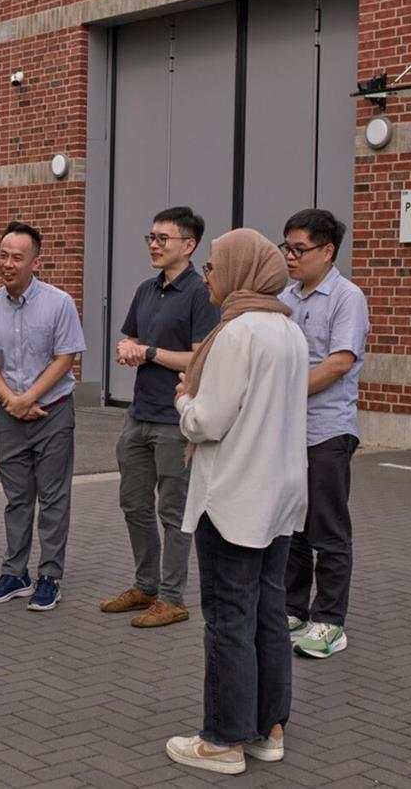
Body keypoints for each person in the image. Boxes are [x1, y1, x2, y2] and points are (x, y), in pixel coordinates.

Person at [163, 228, 308, 776]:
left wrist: (184, 400)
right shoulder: (288, 330)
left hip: (234, 498)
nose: (208, 278)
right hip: (280, 496)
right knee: (268, 613)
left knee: (228, 616)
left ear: (241, 270)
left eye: (214, 267)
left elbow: (208, 420)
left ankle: (223, 739)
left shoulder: (237, 332)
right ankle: (269, 728)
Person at [101, 206, 219, 627]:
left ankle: (172, 598)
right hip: (138, 415)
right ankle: (145, 586)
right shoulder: (145, 290)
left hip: (175, 422)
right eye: (150, 237)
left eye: (162, 239)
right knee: (133, 504)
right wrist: (127, 349)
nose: (153, 245)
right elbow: (132, 338)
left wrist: (149, 352)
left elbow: (199, 357)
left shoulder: (202, 294)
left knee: (174, 513)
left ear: (188, 245)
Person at [0, 221, 86, 611]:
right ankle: (14, 572)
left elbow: (66, 357)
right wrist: (11, 401)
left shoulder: (59, 303)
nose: (7, 263)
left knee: (53, 498)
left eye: (17, 257)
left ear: (36, 260)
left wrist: (30, 397)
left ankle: (50, 575)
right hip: (9, 415)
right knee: (17, 498)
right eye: (3, 255)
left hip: (52, 412)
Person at [279, 209, 369, 659]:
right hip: (289, 431)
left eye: (300, 249)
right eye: (286, 248)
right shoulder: (287, 297)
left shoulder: (346, 297)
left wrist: (282, 390)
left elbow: (338, 363)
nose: (290, 257)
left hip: (328, 431)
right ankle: (293, 608)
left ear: (327, 250)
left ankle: (330, 621)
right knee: (295, 525)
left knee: (327, 528)